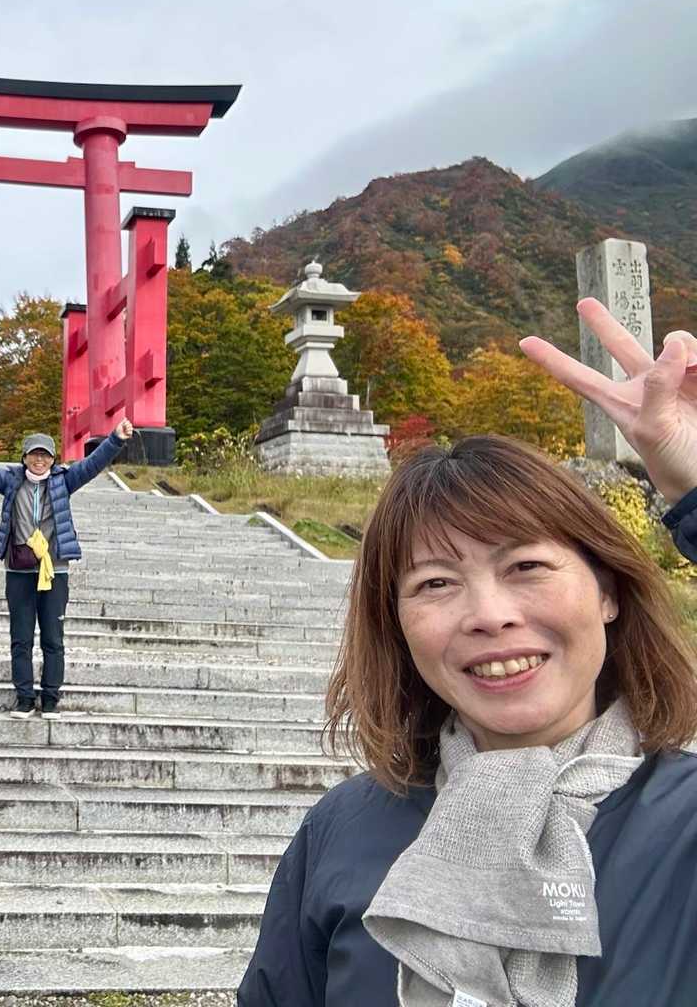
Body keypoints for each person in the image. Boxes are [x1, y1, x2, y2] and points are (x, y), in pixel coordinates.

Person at [238, 298, 697, 1006]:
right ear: (397, 625)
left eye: (527, 567)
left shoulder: (685, 821)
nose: (489, 616)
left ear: (608, 591)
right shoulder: (343, 830)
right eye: (436, 583)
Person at [0, 417, 133, 718]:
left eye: (45, 455)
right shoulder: (10, 481)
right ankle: (24, 698)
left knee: (53, 638)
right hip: (19, 571)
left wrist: (115, 439)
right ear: (24, 457)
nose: (40, 460)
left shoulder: (64, 481)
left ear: (53, 459)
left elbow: (92, 465)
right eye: (34, 454)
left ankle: (50, 698)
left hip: (54, 571)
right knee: (21, 639)